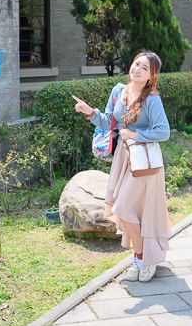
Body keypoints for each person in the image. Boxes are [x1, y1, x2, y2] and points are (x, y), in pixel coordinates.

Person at [72, 51, 172, 282]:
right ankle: (141, 258)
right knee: (126, 211)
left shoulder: (152, 99)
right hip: (122, 159)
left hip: (144, 164)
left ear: (152, 76)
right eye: (136, 64)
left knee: (124, 209)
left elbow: (163, 131)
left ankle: (143, 258)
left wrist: (135, 134)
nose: (137, 69)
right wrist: (90, 112)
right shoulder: (119, 91)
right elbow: (109, 122)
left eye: (144, 68)